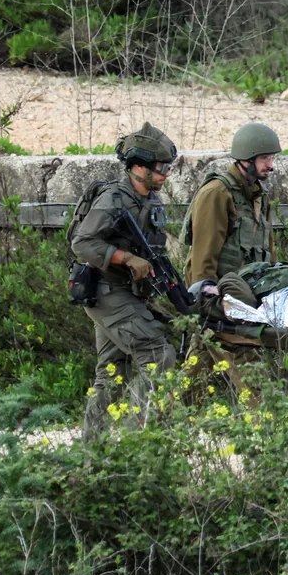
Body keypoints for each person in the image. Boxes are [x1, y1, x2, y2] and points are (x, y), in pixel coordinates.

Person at [69, 122, 180, 441]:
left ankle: (94, 453)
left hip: (128, 295)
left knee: (112, 372)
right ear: (138, 167)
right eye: (161, 168)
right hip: (106, 292)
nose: (165, 175)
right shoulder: (113, 199)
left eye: (168, 168)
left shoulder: (152, 201)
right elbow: (83, 242)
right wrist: (126, 258)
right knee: (159, 355)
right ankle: (137, 443)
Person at [182, 122, 282, 313]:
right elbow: (203, 256)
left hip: (252, 290)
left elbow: (268, 248)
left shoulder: (259, 195)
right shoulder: (217, 193)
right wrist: (205, 300)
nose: (270, 165)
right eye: (264, 158)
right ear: (246, 159)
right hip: (222, 295)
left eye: (271, 158)